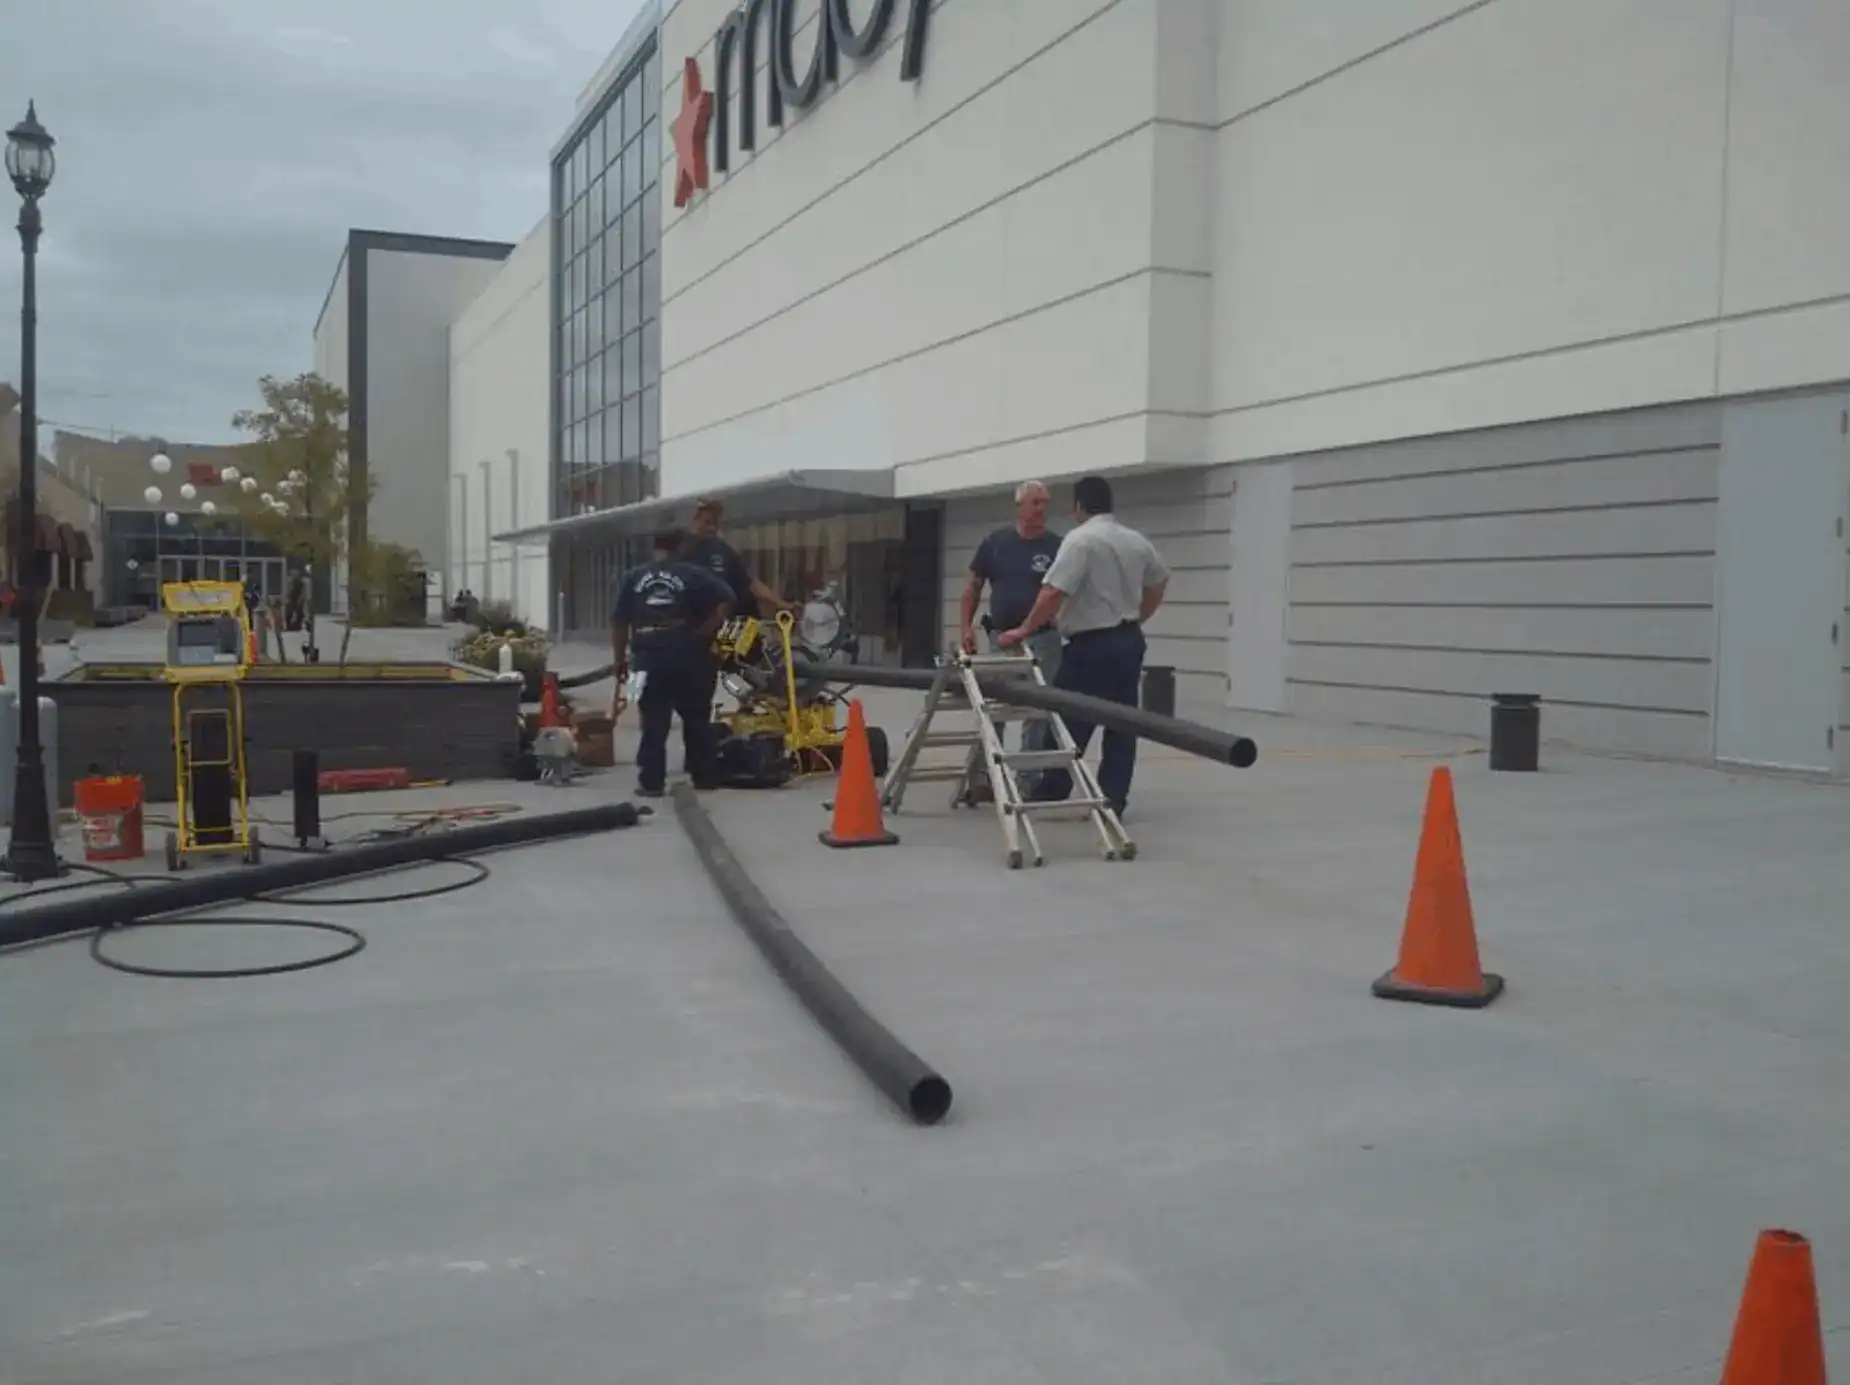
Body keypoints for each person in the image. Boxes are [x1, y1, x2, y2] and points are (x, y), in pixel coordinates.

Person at [997, 476, 1169, 818]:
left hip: (1090, 644)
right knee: (1123, 723)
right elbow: (1159, 581)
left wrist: (1024, 629)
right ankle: (1113, 799)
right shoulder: (1135, 541)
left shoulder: (1080, 541)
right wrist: (1138, 618)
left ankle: (1054, 786)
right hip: (1129, 640)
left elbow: (1053, 592)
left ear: (1079, 507)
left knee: (1065, 714)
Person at [610, 529, 736, 798]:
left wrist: (619, 660)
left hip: (646, 661)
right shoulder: (693, 574)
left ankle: (651, 782)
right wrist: (706, 632)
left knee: (653, 722)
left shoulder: (632, 577)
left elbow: (619, 622)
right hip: (689, 658)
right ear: (681, 547)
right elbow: (727, 596)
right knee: (697, 720)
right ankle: (704, 777)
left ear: (654, 546)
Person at [681, 496, 791, 622]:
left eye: (715, 523)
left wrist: (781, 604)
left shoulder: (723, 550)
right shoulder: (682, 552)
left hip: (737, 626)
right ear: (693, 521)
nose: (712, 528)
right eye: (707, 522)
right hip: (703, 628)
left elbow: (751, 583)